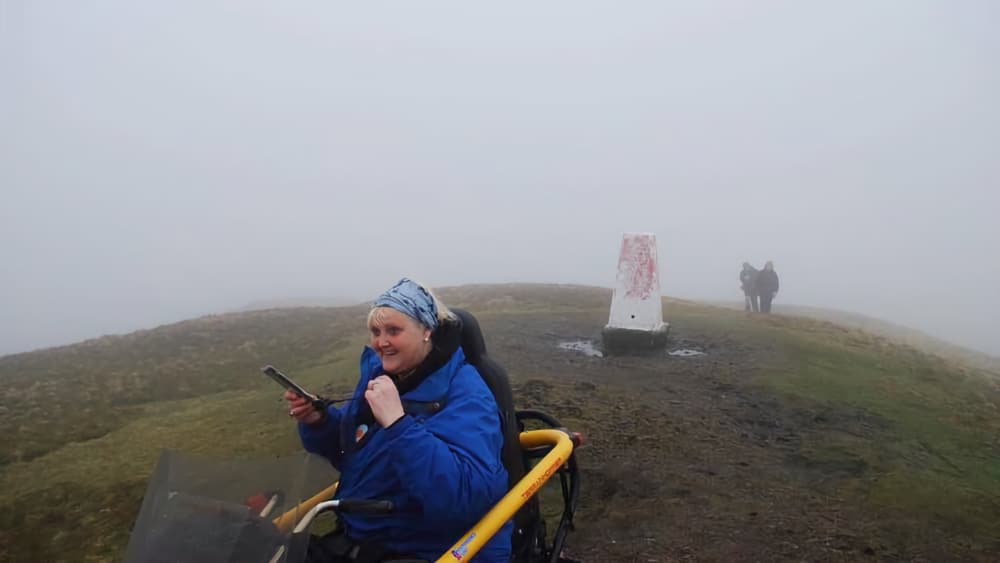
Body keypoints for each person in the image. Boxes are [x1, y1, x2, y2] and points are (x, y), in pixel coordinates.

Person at [285, 278, 512, 562]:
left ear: (426, 330)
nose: (381, 342)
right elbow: (355, 454)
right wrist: (319, 421)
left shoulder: (468, 394)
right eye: (375, 331)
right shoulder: (384, 376)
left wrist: (398, 425)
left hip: (430, 548)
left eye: (394, 330)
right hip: (369, 537)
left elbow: (463, 498)